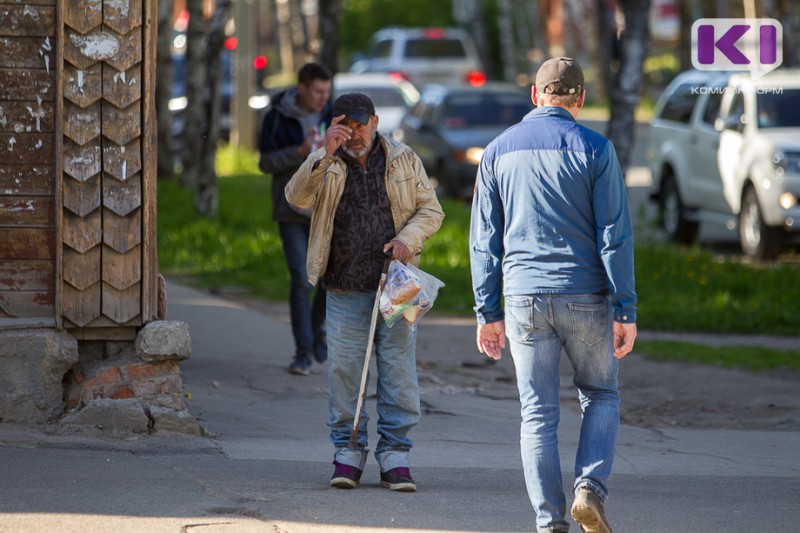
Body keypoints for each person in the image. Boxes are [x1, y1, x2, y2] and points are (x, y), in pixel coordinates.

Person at [469, 57, 637, 533]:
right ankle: (589, 490)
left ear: (534, 95)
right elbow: (614, 236)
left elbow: (485, 240)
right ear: (580, 99)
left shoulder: (497, 152)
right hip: (586, 293)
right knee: (601, 393)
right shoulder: (597, 149)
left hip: (523, 297)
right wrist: (626, 307)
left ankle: (550, 523)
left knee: (537, 413)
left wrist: (488, 311)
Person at [285, 93, 444, 492]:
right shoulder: (327, 162)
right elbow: (295, 197)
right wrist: (324, 151)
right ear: (332, 126)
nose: (353, 133)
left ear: (374, 122)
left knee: (399, 370)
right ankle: (347, 451)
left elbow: (432, 211)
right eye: (344, 125)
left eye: (359, 124)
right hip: (343, 285)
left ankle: (396, 454)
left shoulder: (403, 157)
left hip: (400, 282)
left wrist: (407, 239)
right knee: (345, 373)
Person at [259, 62, 333, 376]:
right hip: (290, 209)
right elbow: (265, 162)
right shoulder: (278, 115)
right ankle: (302, 352)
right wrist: (300, 151)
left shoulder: (333, 115)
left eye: (327, 92)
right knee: (301, 280)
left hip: (325, 211)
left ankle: (317, 332)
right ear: (301, 87)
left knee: (328, 279)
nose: (322, 98)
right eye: (317, 91)